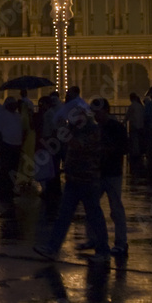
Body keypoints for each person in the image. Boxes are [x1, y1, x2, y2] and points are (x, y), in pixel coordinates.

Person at [34, 101, 110, 263]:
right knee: (64, 215)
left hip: (87, 179)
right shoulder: (76, 129)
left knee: (94, 215)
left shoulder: (92, 131)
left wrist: (66, 133)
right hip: (74, 179)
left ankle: (103, 251)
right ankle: (52, 248)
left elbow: (79, 145)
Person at [87, 98, 128, 256]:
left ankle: (120, 242)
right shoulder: (100, 128)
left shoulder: (114, 128)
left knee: (114, 209)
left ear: (105, 111)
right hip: (102, 172)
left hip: (111, 172)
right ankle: (98, 239)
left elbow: (123, 148)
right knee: (94, 206)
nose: (96, 115)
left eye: (98, 112)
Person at [0, 97, 23, 198]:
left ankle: (11, 188)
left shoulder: (17, 116)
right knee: (6, 169)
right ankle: (4, 190)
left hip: (17, 145)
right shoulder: (2, 115)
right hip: (6, 144)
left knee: (14, 169)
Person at [124, 93, 145, 175]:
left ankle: (135, 153)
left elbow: (127, 116)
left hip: (134, 126)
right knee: (139, 140)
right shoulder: (140, 106)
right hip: (141, 126)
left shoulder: (132, 106)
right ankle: (139, 153)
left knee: (134, 140)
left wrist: (124, 122)